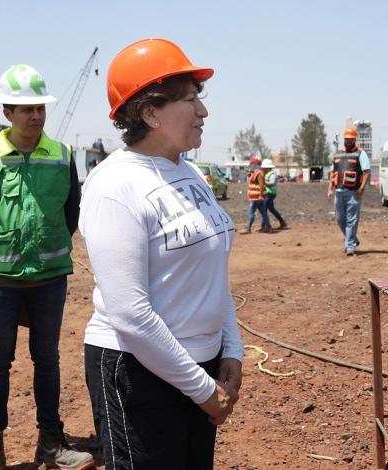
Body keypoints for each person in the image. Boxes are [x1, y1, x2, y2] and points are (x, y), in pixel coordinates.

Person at [80, 38, 244, 469]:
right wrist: (202, 389)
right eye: (190, 101)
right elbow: (130, 313)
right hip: (139, 374)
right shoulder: (115, 185)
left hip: (200, 367)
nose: (203, 112)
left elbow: (213, 270)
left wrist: (231, 350)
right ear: (149, 112)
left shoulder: (189, 173)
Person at [0, 64, 93, 470]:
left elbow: (72, 214)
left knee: (47, 359)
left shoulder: (62, 155)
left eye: (40, 108)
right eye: (25, 109)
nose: (35, 116)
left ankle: (51, 443)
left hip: (49, 278)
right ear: (7, 113)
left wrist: (46, 251)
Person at [327, 127, 370, 256]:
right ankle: (353, 239)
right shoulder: (337, 155)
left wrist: (362, 188)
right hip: (339, 191)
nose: (349, 141)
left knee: (351, 219)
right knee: (340, 219)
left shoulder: (361, 154)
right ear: (344, 139)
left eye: (351, 139)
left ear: (355, 139)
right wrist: (330, 189)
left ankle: (350, 246)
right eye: (347, 139)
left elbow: (367, 172)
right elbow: (332, 174)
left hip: (353, 192)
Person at [243, 156, 272, 234]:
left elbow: (261, 185)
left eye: (252, 164)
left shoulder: (259, 173)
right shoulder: (256, 172)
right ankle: (268, 227)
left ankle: (248, 228)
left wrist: (260, 195)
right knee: (263, 212)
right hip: (257, 197)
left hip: (256, 197)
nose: (251, 165)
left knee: (251, 212)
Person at [262, 158, 287, 229]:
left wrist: (263, 182)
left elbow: (271, 184)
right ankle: (282, 222)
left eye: (265, 168)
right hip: (268, 193)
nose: (263, 169)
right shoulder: (267, 173)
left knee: (264, 209)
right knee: (271, 209)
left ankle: (265, 226)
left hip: (270, 194)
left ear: (268, 167)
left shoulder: (272, 174)